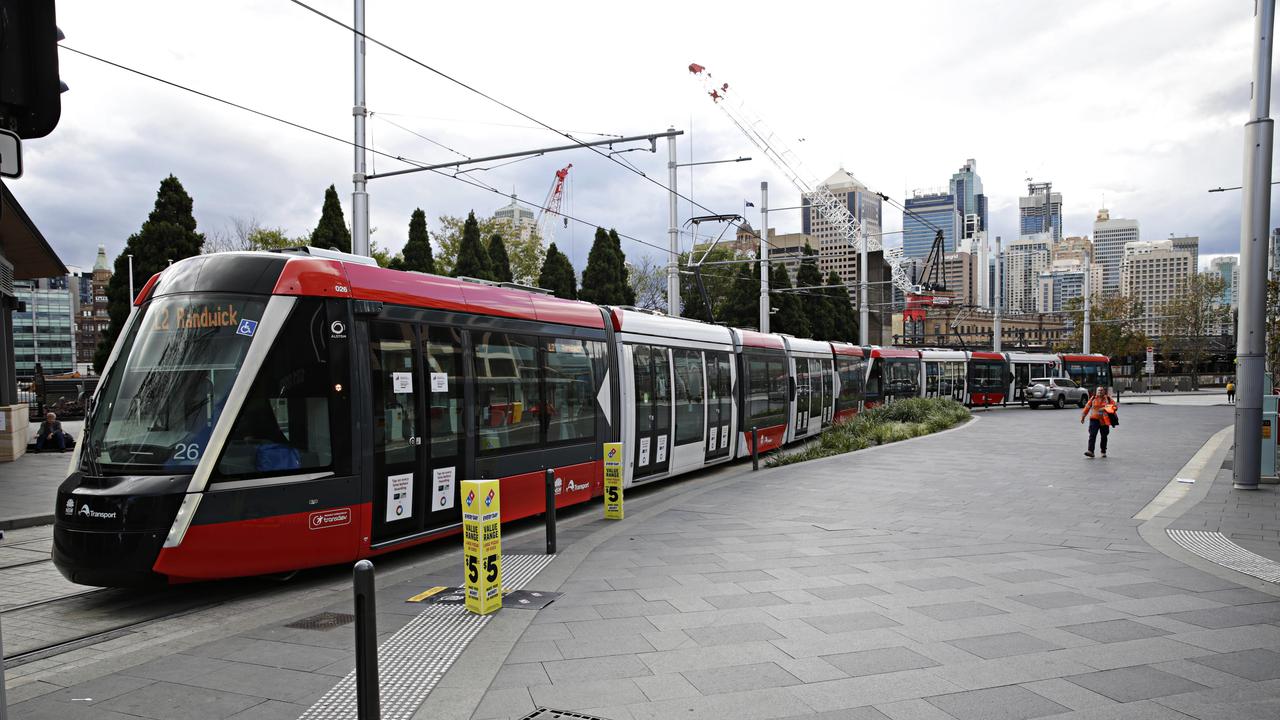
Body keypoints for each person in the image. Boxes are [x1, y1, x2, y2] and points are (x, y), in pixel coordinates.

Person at [1080, 387, 1115, 458]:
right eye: (1099, 390)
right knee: (1092, 435)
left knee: (1104, 436)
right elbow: (1087, 408)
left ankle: (1103, 451)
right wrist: (1083, 417)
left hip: (1104, 420)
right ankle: (1090, 451)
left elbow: (1114, 407)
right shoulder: (1093, 399)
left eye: (1102, 390)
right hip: (1094, 420)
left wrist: (1105, 408)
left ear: (1104, 391)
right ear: (1096, 392)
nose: (1100, 391)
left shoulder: (1108, 399)